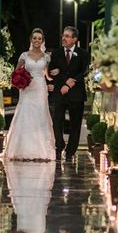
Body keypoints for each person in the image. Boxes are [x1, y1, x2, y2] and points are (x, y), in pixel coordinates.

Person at [4, 28, 56, 161]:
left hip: (40, 88)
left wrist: (55, 76)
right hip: (27, 89)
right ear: (31, 40)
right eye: (35, 38)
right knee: (25, 115)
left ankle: (41, 151)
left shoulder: (47, 57)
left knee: (40, 115)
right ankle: (22, 149)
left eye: (39, 38)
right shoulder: (24, 55)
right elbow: (16, 73)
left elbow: (48, 75)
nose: (37, 40)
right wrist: (19, 81)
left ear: (42, 41)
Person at [49, 26, 89, 161]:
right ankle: (59, 145)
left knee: (75, 124)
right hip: (60, 92)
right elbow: (52, 71)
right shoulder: (56, 53)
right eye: (63, 36)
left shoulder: (83, 53)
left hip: (76, 94)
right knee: (57, 121)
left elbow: (84, 72)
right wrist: (65, 81)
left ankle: (71, 151)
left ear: (74, 39)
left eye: (67, 36)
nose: (63, 38)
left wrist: (72, 82)